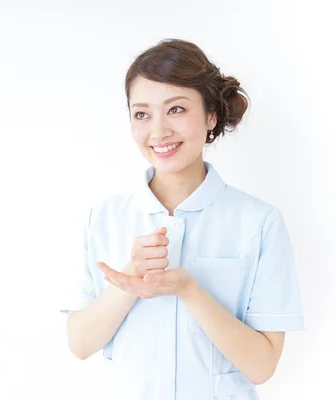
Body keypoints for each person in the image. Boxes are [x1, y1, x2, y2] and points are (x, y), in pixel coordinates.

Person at [58, 39, 304, 400]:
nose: (158, 132)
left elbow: (262, 366)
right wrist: (128, 280)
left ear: (210, 116)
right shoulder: (103, 218)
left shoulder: (259, 222)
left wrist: (189, 289)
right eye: (142, 114)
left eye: (175, 109)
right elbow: (79, 343)